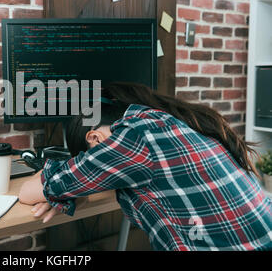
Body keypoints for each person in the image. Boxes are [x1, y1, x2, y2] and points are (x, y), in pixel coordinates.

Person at [18, 82, 272, 251]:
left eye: (87, 158)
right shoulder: (169, 122)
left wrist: (62, 186)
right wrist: (76, 193)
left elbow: (27, 192)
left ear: (94, 139)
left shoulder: (131, 138)